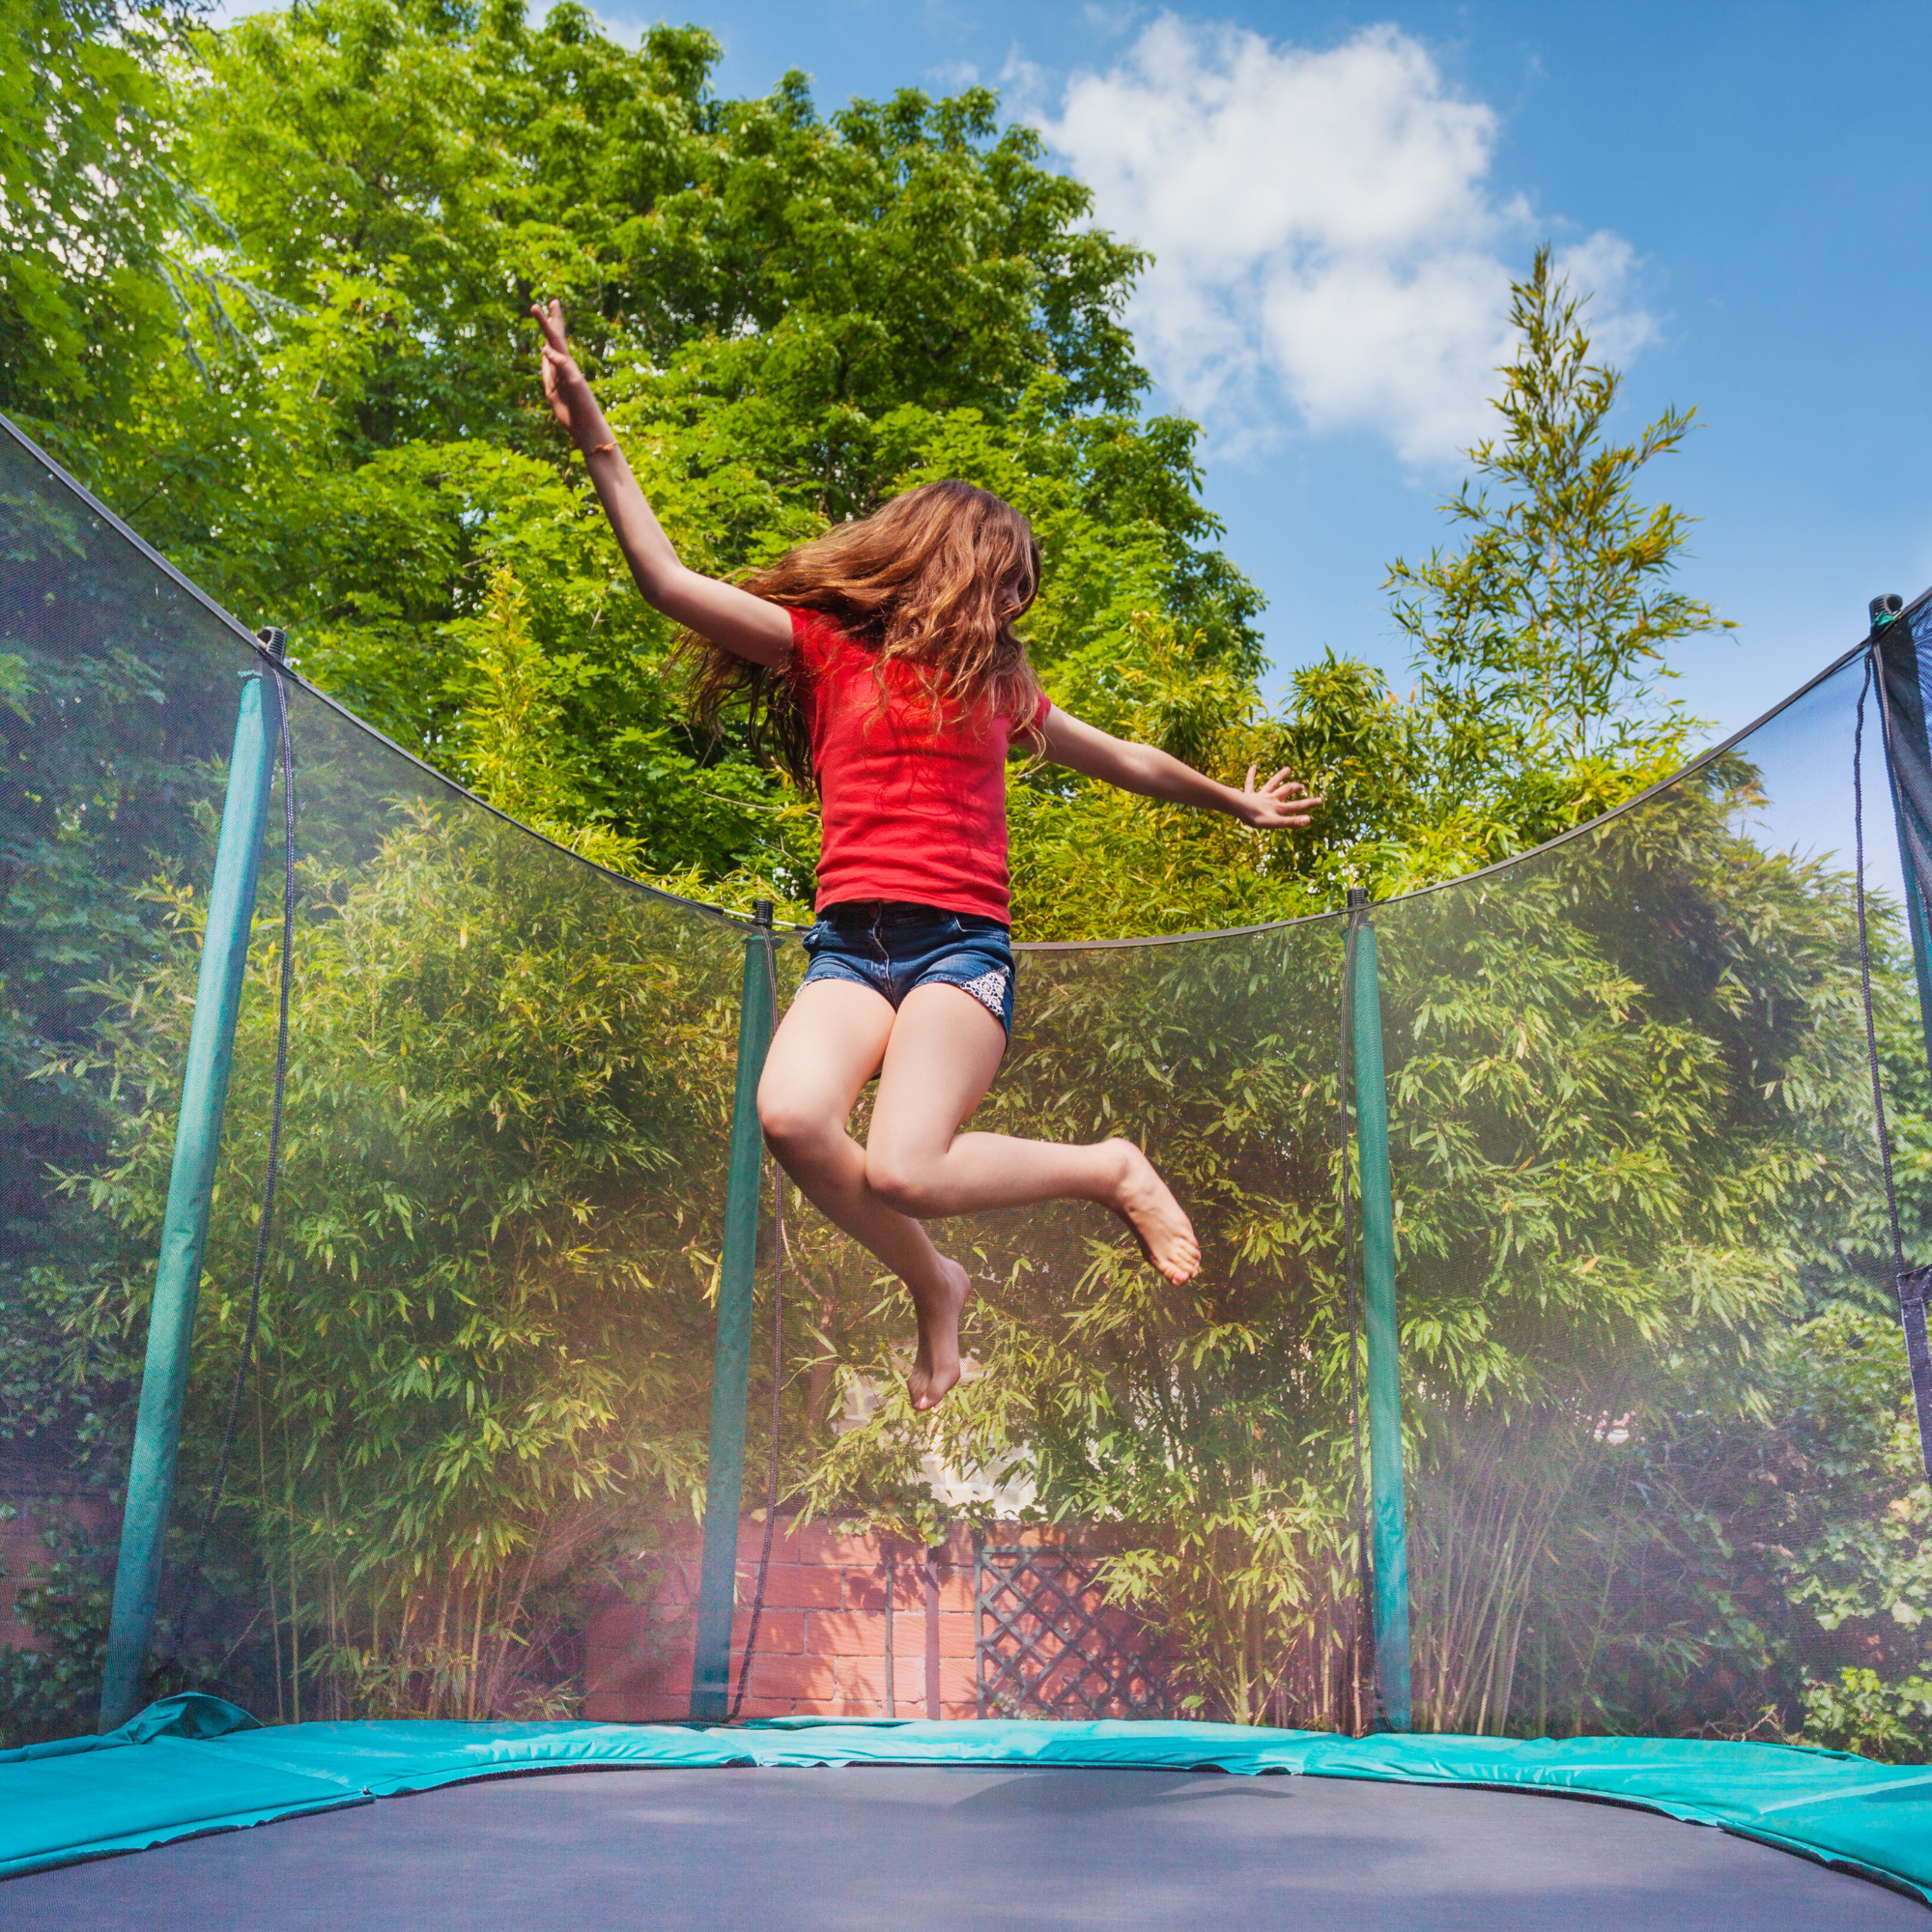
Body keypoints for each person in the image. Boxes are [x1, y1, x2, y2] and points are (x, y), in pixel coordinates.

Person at [532, 299, 1321, 1410]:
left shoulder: (1001, 688)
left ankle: (1107, 1166)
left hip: (958, 948)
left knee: (906, 1162)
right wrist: (595, 439)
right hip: (848, 947)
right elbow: (667, 580)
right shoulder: (823, 648)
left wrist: (1229, 802)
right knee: (793, 1119)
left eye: (1022, 597)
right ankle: (934, 1282)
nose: (1014, 606)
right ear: (950, 560)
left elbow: (1126, 756)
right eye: (1006, 582)